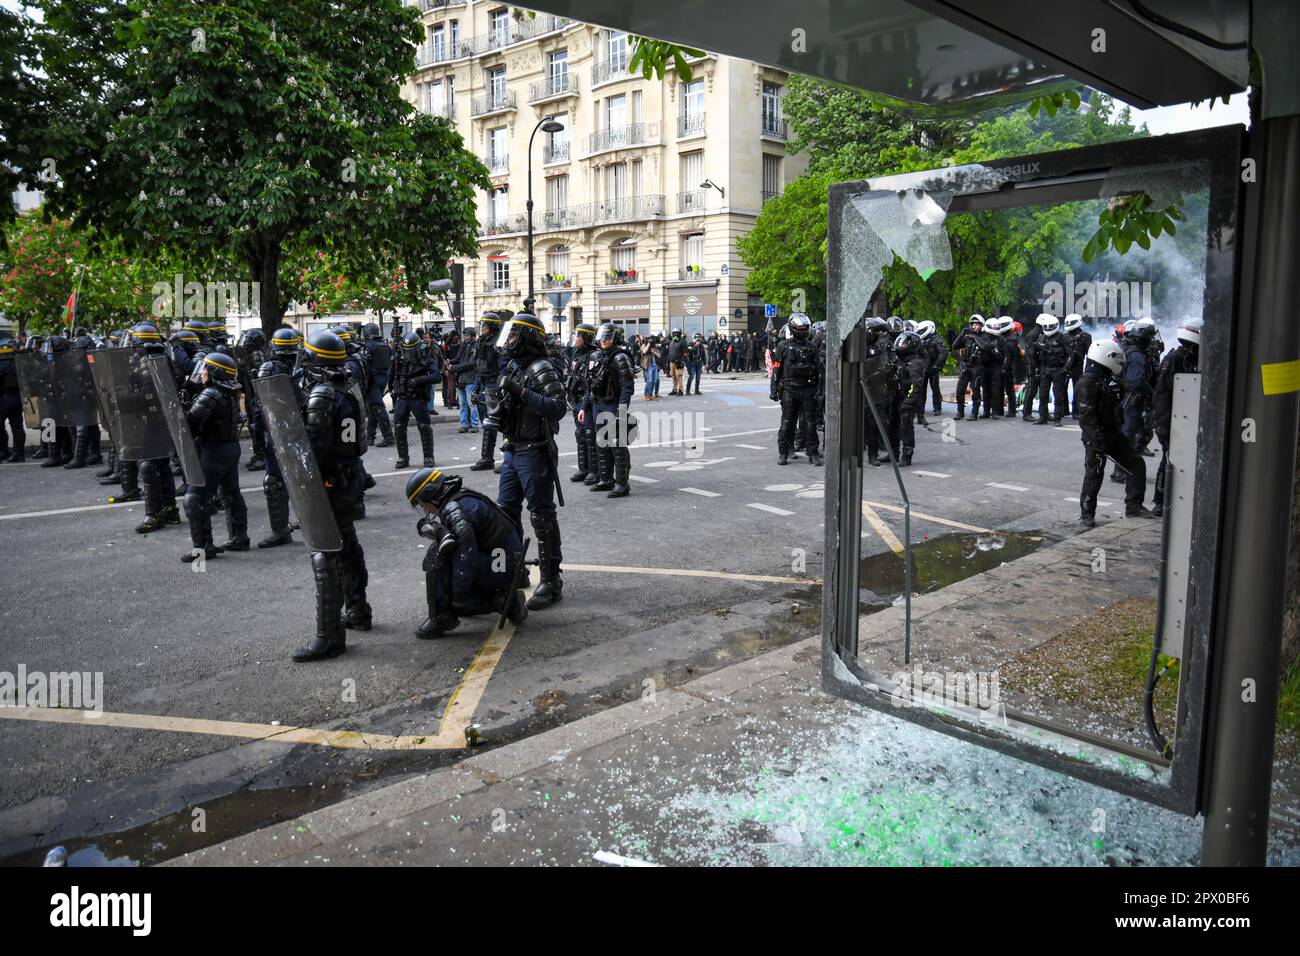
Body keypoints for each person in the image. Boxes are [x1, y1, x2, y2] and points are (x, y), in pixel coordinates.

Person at [292, 330, 372, 661]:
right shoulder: (347, 386)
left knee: (325, 552)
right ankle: (357, 610)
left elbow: (315, 447)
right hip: (349, 476)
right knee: (348, 545)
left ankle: (329, 636)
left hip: (330, 481)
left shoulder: (322, 394)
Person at [486, 313, 567, 610]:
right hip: (512, 451)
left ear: (527, 339)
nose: (508, 341)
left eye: (513, 335)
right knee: (505, 513)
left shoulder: (541, 368)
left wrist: (521, 391)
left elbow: (558, 408)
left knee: (542, 517)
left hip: (535, 452)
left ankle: (551, 580)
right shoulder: (513, 367)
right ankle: (516, 570)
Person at [405, 467, 529, 639]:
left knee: (438, 557)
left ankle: (444, 616)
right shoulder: (460, 499)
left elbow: (466, 556)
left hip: (502, 566)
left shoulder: (456, 510)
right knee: (447, 557)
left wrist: (458, 596)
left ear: (430, 494)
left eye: (422, 504)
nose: (426, 510)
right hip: (505, 562)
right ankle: (502, 599)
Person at [1077, 339, 1155, 528]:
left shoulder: (1106, 379)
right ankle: (1086, 514)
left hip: (1113, 434)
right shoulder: (1088, 382)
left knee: (1136, 464)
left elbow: (1129, 385)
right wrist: (1096, 442)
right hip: (1097, 437)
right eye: (1117, 361)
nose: (1119, 365)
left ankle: (1134, 506)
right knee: (1094, 474)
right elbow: (1087, 417)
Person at [181, 351, 250, 562]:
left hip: (214, 451)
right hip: (229, 448)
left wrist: (183, 408)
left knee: (194, 498)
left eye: (204, 369)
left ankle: (203, 547)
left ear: (214, 372)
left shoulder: (211, 393)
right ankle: (240, 537)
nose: (200, 373)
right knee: (230, 493)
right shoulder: (228, 392)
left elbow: (190, 425)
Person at [254, 328, 303, 549]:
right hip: (298, 428)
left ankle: (281, 530)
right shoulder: (304, 364)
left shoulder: (269, 368)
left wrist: (259, 432)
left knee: (274, 481)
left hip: (279, 429)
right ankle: (308, 521)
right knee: (303, 478)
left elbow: (262, 405)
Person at [1150, 318, 1201, 517]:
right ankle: (1160, 501)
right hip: (1173, 419)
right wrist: (1163, 425)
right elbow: (1161, 395)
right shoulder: (1175, 359)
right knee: (1169, 461)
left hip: (1187, 417)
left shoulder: (1194, 357)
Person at [586, 322, 636, 497]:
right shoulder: (597, 356)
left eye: (608, 337)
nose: (604, 341)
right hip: (598, 404)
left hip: (613, 405)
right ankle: (606, 479)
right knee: (601, 443)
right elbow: (590, 384)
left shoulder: (620, 357)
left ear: (615, 339)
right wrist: (585, 406)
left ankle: (622, 484)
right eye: (602, 337)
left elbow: (628, 386)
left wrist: (621, 411)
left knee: (617, 445)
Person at [770, 313, 823, 466]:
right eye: (800, 327)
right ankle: (784, 452)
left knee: (810, 423)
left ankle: (813, 453)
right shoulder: (783, 346)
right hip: (789, 389)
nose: (802, 329)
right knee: (787, 422)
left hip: (808, 389)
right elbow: (776, 368)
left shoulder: (811, 346)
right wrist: (773, 388)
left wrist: (819, 391)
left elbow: (819, 370)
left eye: (804, 327)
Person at [389, 331, 436, 470]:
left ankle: (428, 457)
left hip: (418, 396)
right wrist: (391, 388)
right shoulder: (398, 356)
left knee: (424, 426)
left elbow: (436, 376)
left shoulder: (425, 357)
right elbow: (391, 374)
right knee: (399, 427)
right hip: (402, 396)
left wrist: (418, 380)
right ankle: (403, 457)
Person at [470, 310, 506, 471]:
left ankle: (508, 460)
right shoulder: (481, 342)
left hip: (495, 385)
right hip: (484, 384)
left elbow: (504, 368)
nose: (482, 327)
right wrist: (476, 390)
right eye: (482, 324)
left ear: (492, 326)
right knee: (487, 424)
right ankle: (487, 458)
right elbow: (479, 367)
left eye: (485, 325)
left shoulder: (499, 343)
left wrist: (500, 389)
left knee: (504, 423)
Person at [567, 322, 599, 484]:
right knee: (580, 434)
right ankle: (583, 468)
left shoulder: (593, 355)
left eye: (579, 335)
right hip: (576, 399)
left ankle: (594, 470)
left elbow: (591, 384)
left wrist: (585, 405)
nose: (576, 338)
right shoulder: (576, 354)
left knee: (589, 434)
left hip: (586, 401)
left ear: (586, 337)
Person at [893, 330, 928, 466]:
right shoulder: (900, 360)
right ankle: (894, 453)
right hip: (896, 397)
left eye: (904, 343)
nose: (901, 345)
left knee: (906, 427)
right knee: (893, 427)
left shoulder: (915, 362)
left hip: (906, 399)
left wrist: (908, 401)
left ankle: (907, 456)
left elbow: (916, 385)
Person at [1030, 314, 1071, 426]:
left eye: (1050, 326)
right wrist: (1038, 368)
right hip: (1045, 369)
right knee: (1043, 395)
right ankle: (1042, 417)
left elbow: (1069, 354)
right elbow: (1036, 355)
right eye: (1046, 326)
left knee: (1058, 395)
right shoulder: (1041, 337)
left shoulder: (1062, 338)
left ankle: (1057, 419)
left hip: (1058, 369)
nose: (1048, 328)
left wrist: (1065, 368)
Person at [362, 322, 394, 447]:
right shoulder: (385, 345)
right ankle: (370, 437)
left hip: (373, 379)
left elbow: (365, 359)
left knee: (378, 407)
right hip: (382, 378)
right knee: (373, 408)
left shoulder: (370, 345)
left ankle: (388, 437)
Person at [952, 315, 984, 421]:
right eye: (972, 324)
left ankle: (974, 413)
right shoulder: (967, 337)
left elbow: (985, 346)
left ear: (981, 325)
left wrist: (974, 337)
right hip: (966, 366)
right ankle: (960, 411)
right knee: (960, 389)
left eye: (976, 324)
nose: (974, 326)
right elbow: (955, 346)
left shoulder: (984, 336)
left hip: (977, 367)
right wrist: (962, 334)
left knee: (975, 390)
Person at [0, 333, 25, 463]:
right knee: (17, 427)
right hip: (17, 398)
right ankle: (19, 454)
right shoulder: (19, 363)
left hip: (4, 398)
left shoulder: (2, 364)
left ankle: (3, 451)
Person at [451, 326, 481, 433]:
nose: (465, 337)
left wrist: (454, 368)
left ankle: (474, 424)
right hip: (461, 379)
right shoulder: (463, 345)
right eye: (465, 335)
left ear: (473, 336)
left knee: (471, 403)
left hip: (471, 379)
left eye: (467, 335)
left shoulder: (476, 347)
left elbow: (470, 364)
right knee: (463, 404)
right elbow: (458, 359)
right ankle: (464, 424)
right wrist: (450, 361)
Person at [916, 320, 946, 417]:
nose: (920, 332)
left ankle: (937, 408)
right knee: (921, 389)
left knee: (935, 388)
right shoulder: (919, 341)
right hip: (923, 368)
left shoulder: (936, 340)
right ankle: (920, 408)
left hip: (933, 367)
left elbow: (943, 353)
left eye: (922, 330)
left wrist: (937, 366)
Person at [639, 334, 661, 401]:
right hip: (648, 365)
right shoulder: (644, 344)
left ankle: (650, 394)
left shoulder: (654, 347)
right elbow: (644, 351)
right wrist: (648, 344)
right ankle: (646, 394)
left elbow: (659, 356)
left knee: (654, 381)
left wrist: (653, 351)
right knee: (649, 381)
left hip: (654, 365)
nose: (651, 341)